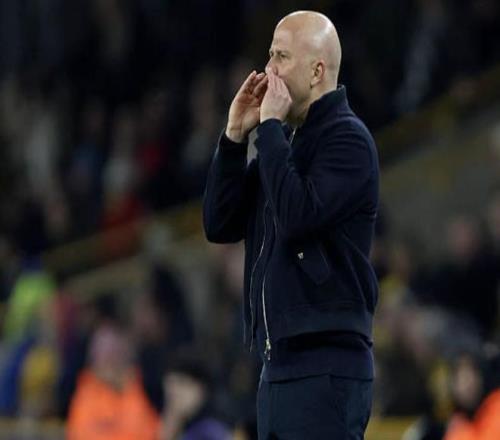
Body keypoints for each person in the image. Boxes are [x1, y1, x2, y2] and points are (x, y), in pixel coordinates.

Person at [203, 10, 379, 440]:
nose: (269, 70)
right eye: (269, 55)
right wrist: (234, 137)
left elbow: (296, 216)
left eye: (281, 57)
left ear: (317, 71)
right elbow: (220, 223)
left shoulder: (348, 140)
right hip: (277, 366)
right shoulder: (284, 144)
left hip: (326, 366)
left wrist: (269, 131)